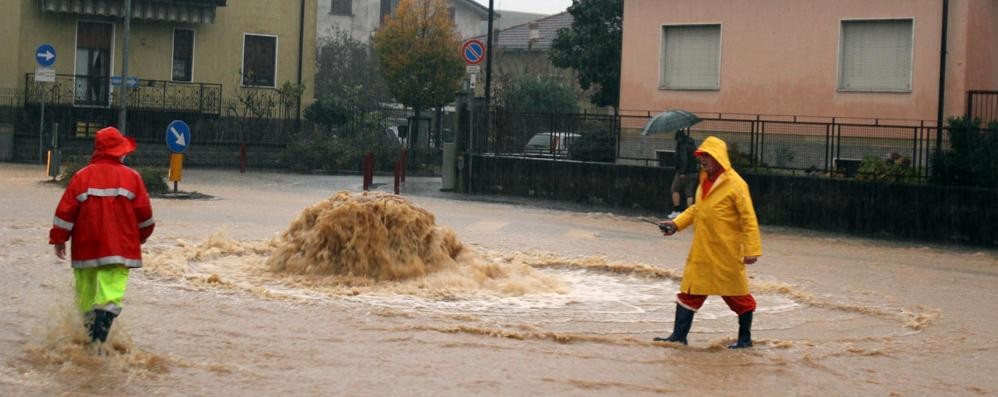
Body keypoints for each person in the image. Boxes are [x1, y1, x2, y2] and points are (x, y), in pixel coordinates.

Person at [49, 126, 155, 352]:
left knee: (86, 296)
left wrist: (59, 239)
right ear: (120, 151)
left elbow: (65, 213)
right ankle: (98, 344)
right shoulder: (132, 178)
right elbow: (145, 217)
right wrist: (141, 237)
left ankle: (87, 345)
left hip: (85, 248)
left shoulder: (81, 177)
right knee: (110, 294)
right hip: (119, 249)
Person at [654, 136, 762, 349]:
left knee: (738, 298)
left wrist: (752, 250)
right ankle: (678, 337)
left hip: (725, 252)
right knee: (689, 293)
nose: (702, 159)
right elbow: (697, 209)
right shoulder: (704, 180)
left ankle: (745, 340)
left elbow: (749, 219)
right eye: (701, 155)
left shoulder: (736, 184)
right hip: (703, 251)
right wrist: (675, 224)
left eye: (707, 156)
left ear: (719, 158)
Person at [668, 129, 699, 219]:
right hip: (694, 172)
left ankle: (676, 210)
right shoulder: (692, 144)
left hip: (684, 172)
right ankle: (689, 213)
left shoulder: (682, 145)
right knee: (689, 193)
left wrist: (682, 172)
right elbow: (695, 157)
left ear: (678, 138)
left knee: (674, 188)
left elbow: (684, 159)